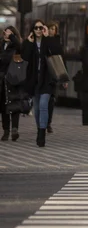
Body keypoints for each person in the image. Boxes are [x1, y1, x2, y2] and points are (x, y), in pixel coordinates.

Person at [22, 19, 58, 148]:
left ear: (44, 29)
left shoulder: (48, 41)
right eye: (36, 28)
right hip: (34, 80)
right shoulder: (30, 43)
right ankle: (39, 129)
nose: (38, 30)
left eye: (41, 27)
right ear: (33, 29)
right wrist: (28, 42)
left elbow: (57, 52)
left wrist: (48, 37)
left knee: (43, 105)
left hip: (47, 79)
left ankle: (42, 134)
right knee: (37, 110)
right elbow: (24, 57)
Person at [1, 26, 25, 142]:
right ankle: (6, 130)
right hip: (2, 80)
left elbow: (20, 46)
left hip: (13, 78)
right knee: (4, 105)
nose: (6, 34)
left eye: (9, 33)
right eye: (5, 32)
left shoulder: (16, 46)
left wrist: (12, 37)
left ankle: (15, 129)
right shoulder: (1, 45)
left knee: (14, 103)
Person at [45, 21, 65, 134]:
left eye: (53, 29)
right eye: (50, 28)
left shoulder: (58, 42)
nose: (52, 31)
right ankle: (42, 122)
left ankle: (48, 123)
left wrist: (64, 78)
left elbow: (62, 59)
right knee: (43, 99)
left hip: (54, 74)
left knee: (52, 100)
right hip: (44, 74)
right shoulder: (43, 40)